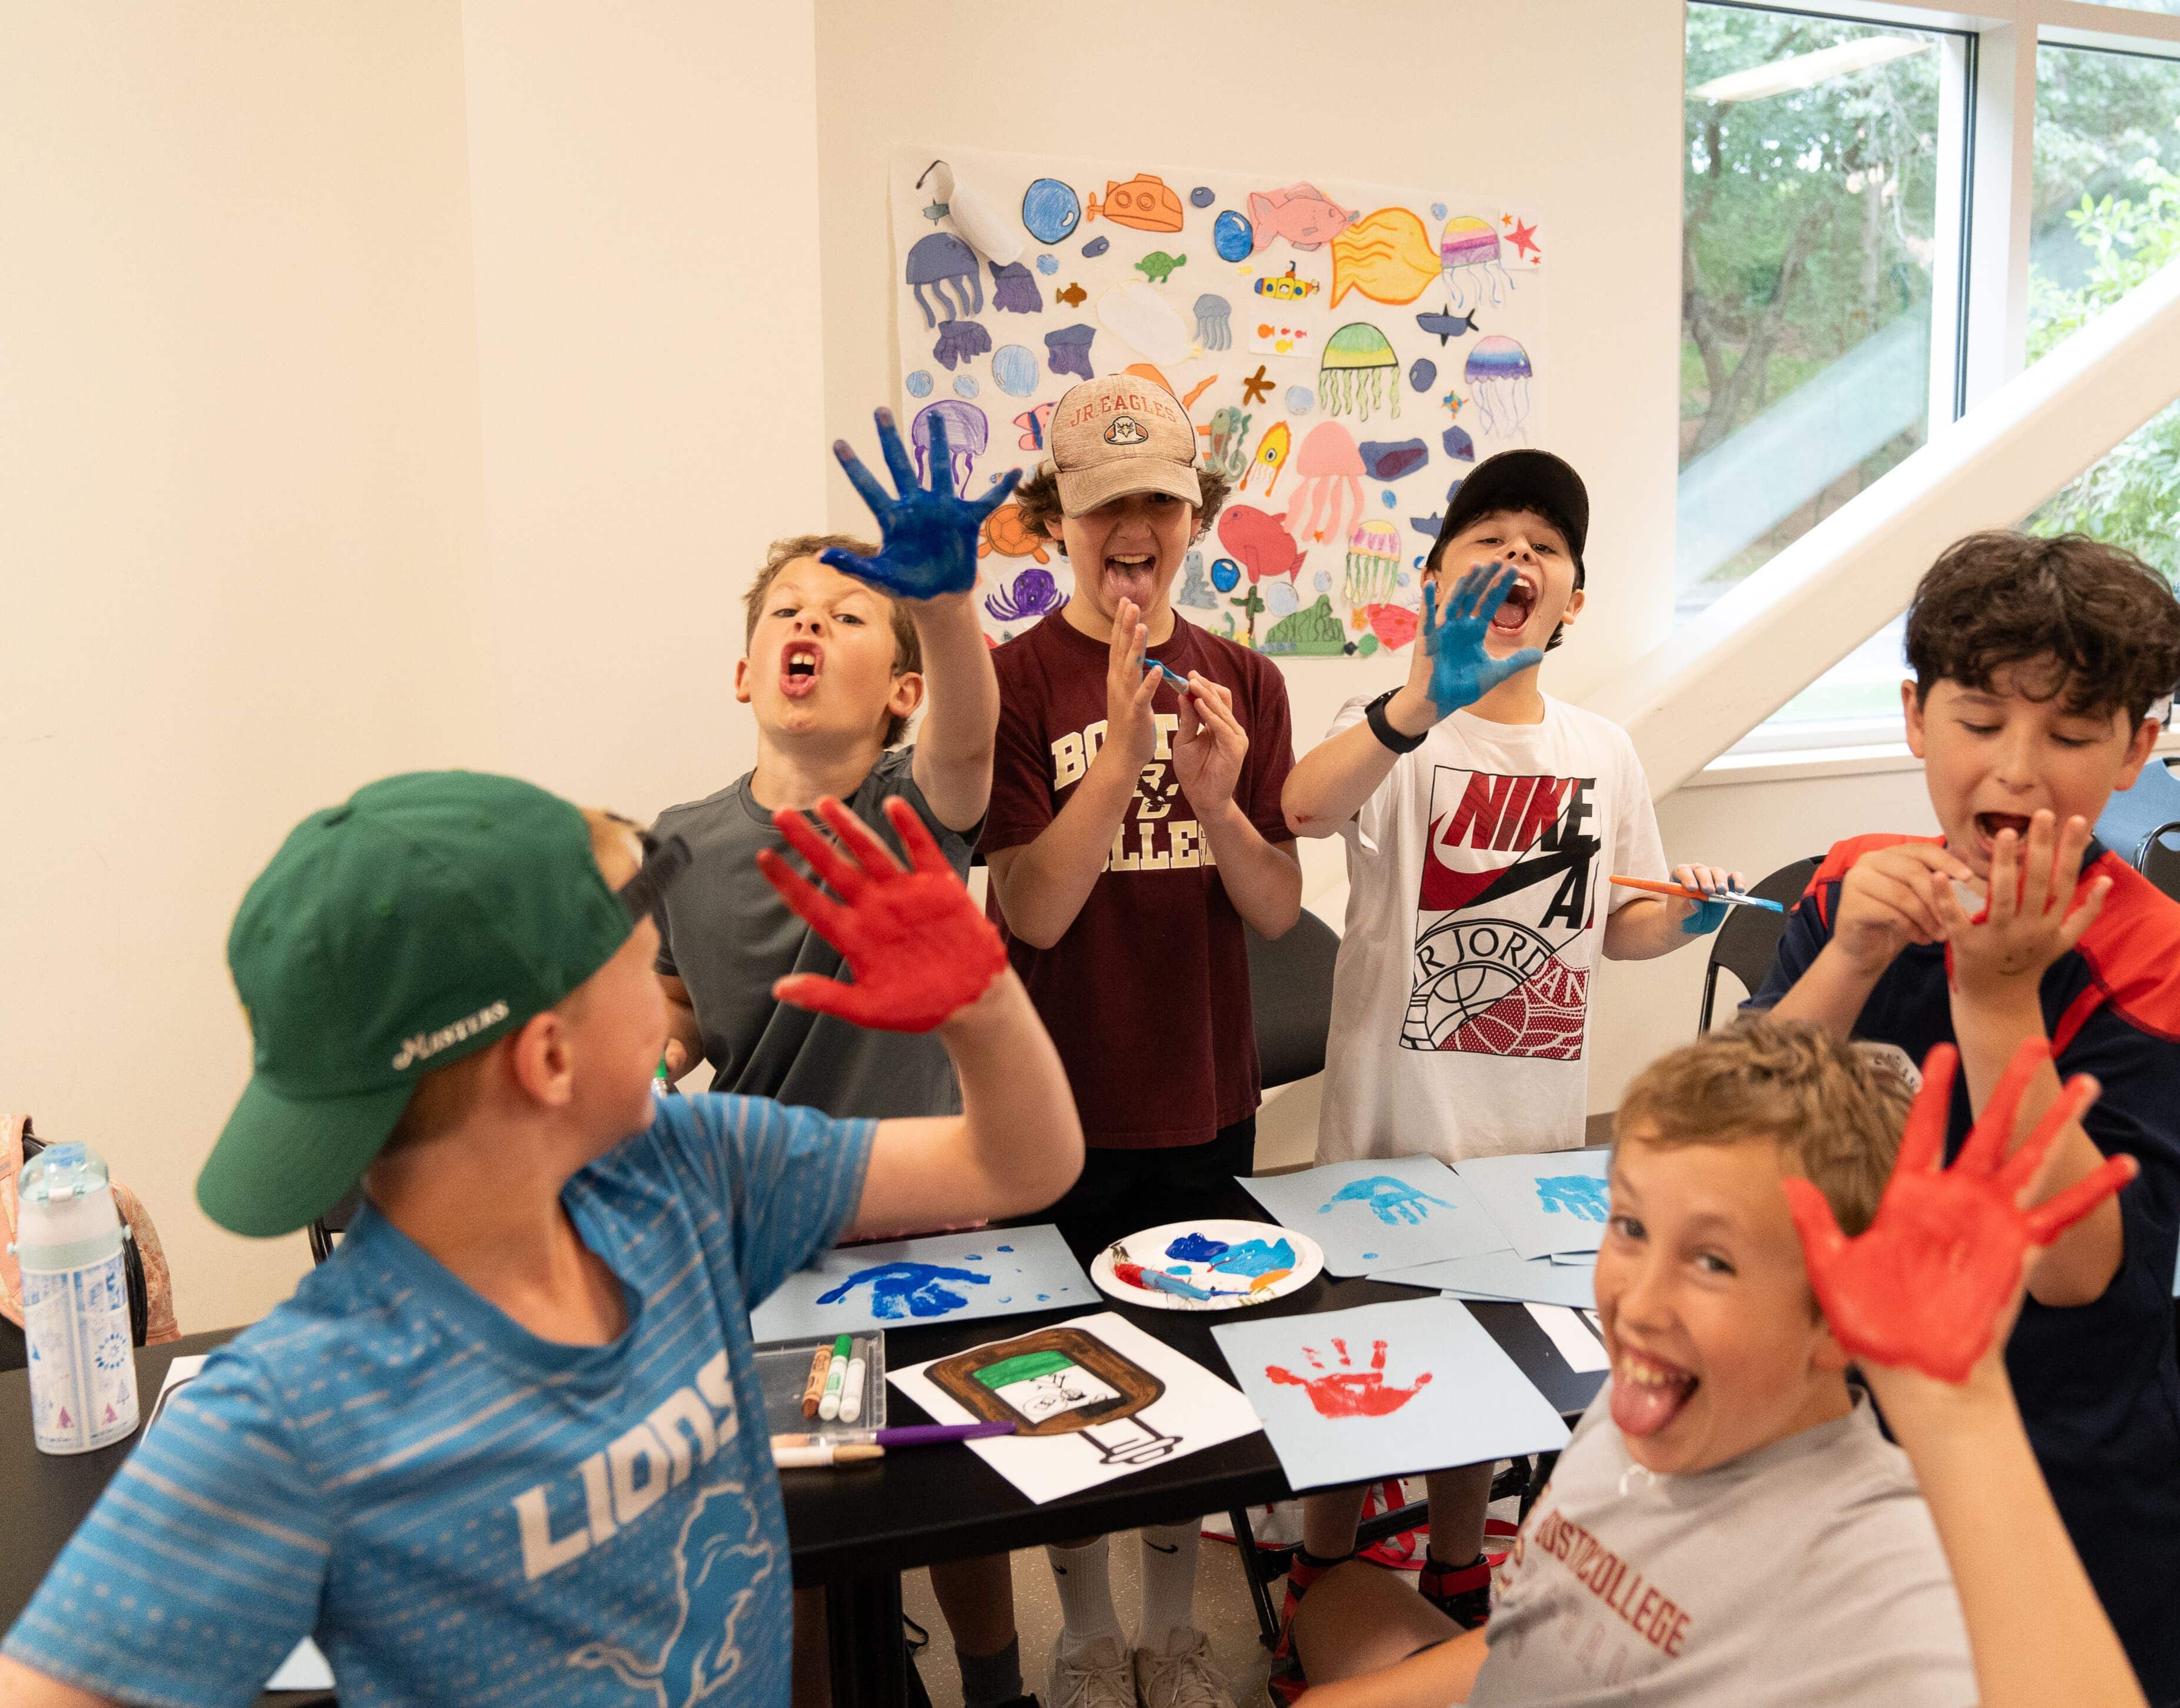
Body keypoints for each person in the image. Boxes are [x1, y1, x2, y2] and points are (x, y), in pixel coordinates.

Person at [0, 770, 1081, 1708]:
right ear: (550, 1061)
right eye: (642, 958)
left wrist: (979, 1004)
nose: (667, 975)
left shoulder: (692, 1171)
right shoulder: (298, 1410)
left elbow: (1017, 1164)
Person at [1289, 1022, 2147, 1708]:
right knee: (1335, 1600)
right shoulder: (1652, 1400)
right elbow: (1537, 1634)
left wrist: (1958, 1407)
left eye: (1714, 1262)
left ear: (1840, 1320)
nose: (1638, 1303)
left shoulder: (1868, 1551)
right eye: (1630, 1227)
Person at [1272, 450, 1732, 1670]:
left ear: (1574, 598)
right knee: (1361, 1353)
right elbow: (1300, 809)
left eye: (1543, 543)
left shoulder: (1602, 748)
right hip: (1388, 1119)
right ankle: (1324, 1555)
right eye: (1485, 537)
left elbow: (1617, 924)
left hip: (1526, 1124)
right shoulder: (1395, 725)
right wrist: (1416, 702)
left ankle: (1458, 1549)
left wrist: (1679, 916)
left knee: (1483, 1357)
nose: (1515, 556)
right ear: (1433, 581)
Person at [1748, 530, 2180, 1706]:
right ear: (1914, 717)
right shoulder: (1849, 883)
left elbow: (2076, 1270)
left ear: (2135, 749)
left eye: (2066, 735)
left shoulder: (2153, 952)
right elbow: (1725, 1141)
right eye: (1978, 720)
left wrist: (1999, 997)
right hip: (1833, 1424)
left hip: (2057, 1452)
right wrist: (1852, 954)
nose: (2015, 772)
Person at [650, 413, 1035, 1706]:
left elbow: (976, 740)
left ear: (904, 688)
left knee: (963, 1493)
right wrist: (660, 1036)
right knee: (802, 1533)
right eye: (788, 612)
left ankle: (996, 1683)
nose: (810, 623)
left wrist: (945, 601)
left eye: (853, 614)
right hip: (764, 1224)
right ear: (747, 670)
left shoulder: (911, 805)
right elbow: (681, 998)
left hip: (928, 1205)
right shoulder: (683, 841)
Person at [983, 372, 1301, 1708]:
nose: (1135, 525)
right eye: (1107, 500)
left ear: (1195, 517)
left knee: (1191, 1374)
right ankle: (1080, 1621)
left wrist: (1222, 803)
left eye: (1160, 500)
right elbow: (1030, 907)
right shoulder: (1008, 683)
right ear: (1059, 514)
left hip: (1202, 1088)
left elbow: (1277, 909)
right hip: (1057, 1107)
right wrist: (1115, 759)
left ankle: (1175, 1621)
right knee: (1065, 1379)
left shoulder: (1245, 677)